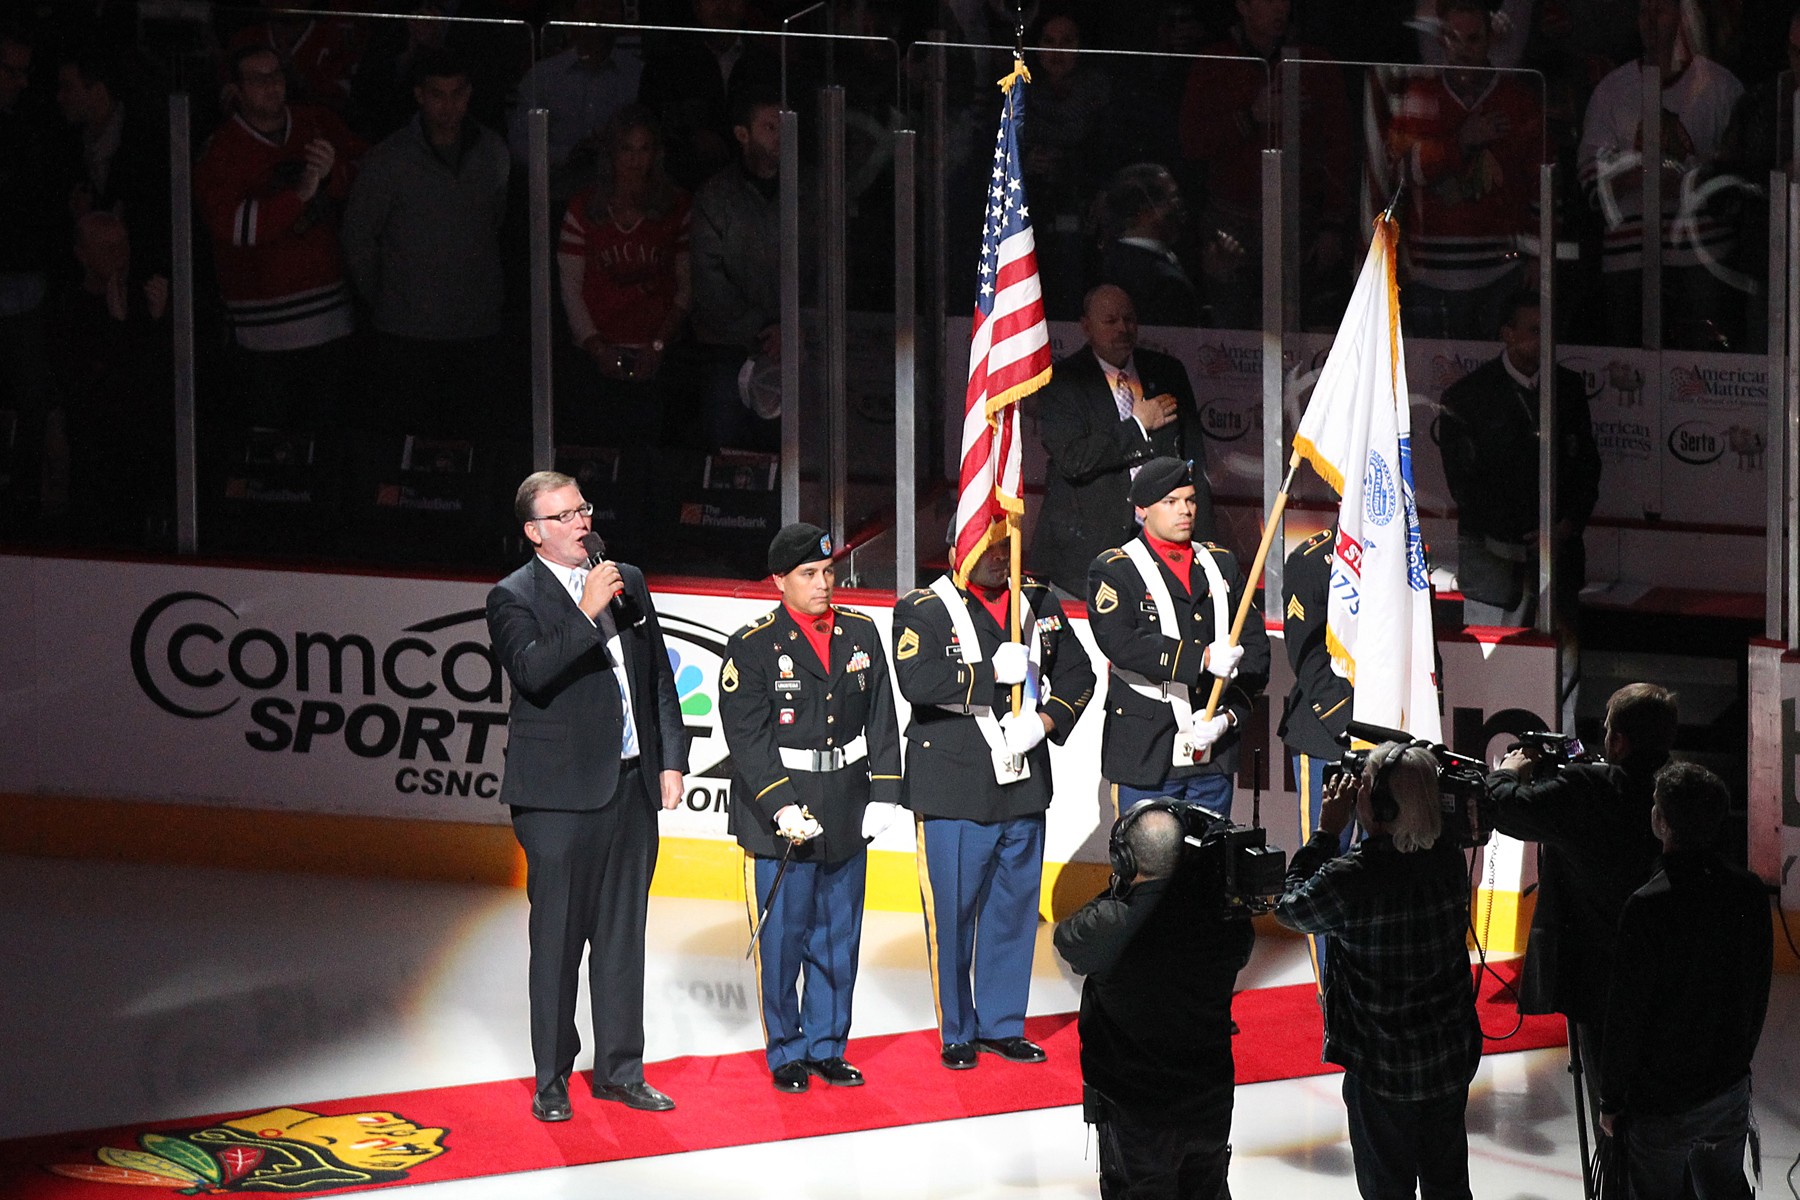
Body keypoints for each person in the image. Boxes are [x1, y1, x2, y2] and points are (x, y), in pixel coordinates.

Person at [486, 470, 689, 1121]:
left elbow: (656, 674)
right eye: (565, 516)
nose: (582, 523)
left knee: (623, 937)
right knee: (558, 943)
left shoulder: (624, 574)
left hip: (631, 786)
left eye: (583, 510)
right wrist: (584, 611)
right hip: (557, 800)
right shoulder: (512, 597)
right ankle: (552, 1080)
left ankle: (621, 1071)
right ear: (534, 532)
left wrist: (671, 759)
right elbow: (534, 672)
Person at [893, 536, 1095, 1069]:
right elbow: (916, 681)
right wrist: (988, 677)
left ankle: (1003, 1024)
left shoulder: (1038, 602)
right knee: (954, 914)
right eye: (988, 543)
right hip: (954, 787)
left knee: (1013, 912)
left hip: (1022, 780)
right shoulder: (923, 608)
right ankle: (957, 1031)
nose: (1001, 553)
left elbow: (1079, 674)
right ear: (961, 547)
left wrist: (1044, 721)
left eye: (1007, 543)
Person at [717, 522, 902, 1093]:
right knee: (784, 940)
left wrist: (887, 792)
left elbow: (882, 717)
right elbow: (747, 740)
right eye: (809, 575)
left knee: (837, 936)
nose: (824, 584)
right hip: (781, 816)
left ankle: (827, 1045)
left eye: (827, 572)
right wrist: (781, 806)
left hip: (846, 804)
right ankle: (787, 1050)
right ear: (779, 581)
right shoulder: (752, 645)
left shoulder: (861, 632)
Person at [1274, 742, 1482, 1200]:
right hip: (1447, 1059)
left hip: (1382, 1070)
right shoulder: (1449, 860)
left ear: (1383, 805)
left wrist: (1327, 833)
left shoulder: (1352, 877)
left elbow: (1290, 909)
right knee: (1449, 1187)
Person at [1486, 682, 1677, 1133]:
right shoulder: (1676, 788)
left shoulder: (1589, 790)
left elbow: (1504, 809)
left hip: (1600, 982)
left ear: (1617, 741)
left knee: (1615, 1122)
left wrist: (1508, 771)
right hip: (1667, 975)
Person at [1054, 802, 1254, 1200]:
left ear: (1125, 860)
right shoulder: (1221, 921)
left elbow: (1066, 939)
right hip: (1209, 1102)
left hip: (1137, 1115)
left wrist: (1124, 886)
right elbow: (1241, 943)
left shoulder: (1111, 925)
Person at [1598, 761, 1772, 1200]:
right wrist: (1737, 1065)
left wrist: (1611, 1100)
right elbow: (1758, 992)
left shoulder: (1647, 906)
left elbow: (1627, 1013)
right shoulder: (1748, 891)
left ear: (1661, 821)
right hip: (1727, 1089)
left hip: (1663, 1103)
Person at [193, 45, 365, 434]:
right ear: (235, 89)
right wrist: (301, 193)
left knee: (329, 443)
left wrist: (333, 173)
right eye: (258, 78)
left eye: (276, 75)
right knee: (273, 458)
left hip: (330, 322)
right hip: (261, 337)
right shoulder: (219, 150)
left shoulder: (316, 124)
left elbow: (367, 171)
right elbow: (238, 227)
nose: (271, 86)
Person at [1087, 457, 1270, 819]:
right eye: (1171, 502)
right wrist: (1200, 659)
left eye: (1189, 500)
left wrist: (1229, 717)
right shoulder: (1115, 570)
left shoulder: (1220, 564)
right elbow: (1122, 644)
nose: (1184, 511)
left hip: (1212, 753)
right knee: (1149, 868)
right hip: (1147, 753)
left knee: (1210, 867)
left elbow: (1257, 653)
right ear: (1142, 509)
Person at [341, 48, 510, 439]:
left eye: (457, 93)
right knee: (409, 445)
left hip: (476, 326)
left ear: (469, 94)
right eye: (437, 93)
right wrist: (387, 296)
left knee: (472, 444)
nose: (448, 105)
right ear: (419, 95)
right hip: (407, 332)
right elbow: (358, 235)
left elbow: (495, 225)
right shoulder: (389, 159)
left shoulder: (493, 152)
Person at [1577, 0, 1745, 349]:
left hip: (1701, 258)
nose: (1651, 21)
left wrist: (1686, 183)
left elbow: (1738, 174)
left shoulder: (1721, 86)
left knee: (1703, 365)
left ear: (1684, 18)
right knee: (1628, 364)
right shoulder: (1612, 90)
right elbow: (1589, 173)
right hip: (1629, 258)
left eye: (1661, 11)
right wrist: (1632, 176)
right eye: (1644, 12)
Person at [1028, 284, 1211, 599]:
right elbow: (1073, 459)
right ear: (1086, 326)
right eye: (1110, 321)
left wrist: (1206, 546)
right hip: (1085, 560)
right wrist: (1138, 426)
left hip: (1164, 549)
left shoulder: (1167, 372)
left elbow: (1193, 462)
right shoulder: (1063, 381)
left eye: (1129, 319)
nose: (1122, 329)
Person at [1437, 290, 1601, 629]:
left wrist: (1564, 526)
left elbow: (1587, 466)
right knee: (1494, 669)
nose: (1543, 340)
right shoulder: (1467, 397)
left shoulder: (1567, 388)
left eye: (1548, 331)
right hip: (1494, 568)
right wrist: (1523, 533)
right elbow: (1465, 487)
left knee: (1561, 669)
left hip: (1559, 562)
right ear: (1507, 334)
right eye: (1533, 331)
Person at [1385, 0, 1544, 340]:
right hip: (1431, 274)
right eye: (1454, 39)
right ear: (1442, 40)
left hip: (1500, 272)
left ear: (1490, 40)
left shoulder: (1518, 101)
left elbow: (1540, 184)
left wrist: (1534, 254)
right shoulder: (1420, 96)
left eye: (1473, 40)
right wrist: (1460, 143)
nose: (1463, 50)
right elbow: (1400, 170)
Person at [556, 105, 692, 449]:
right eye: (626, 149)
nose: (635, 159)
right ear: (611, 153)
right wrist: (596, 346)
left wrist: (658, 346)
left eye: (644, 149)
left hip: (656, 355)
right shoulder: (583, 208)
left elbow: (685, 285)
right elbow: (570, 287)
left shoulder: (676, 207)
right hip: (594, 356)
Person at [1276, 523, 1353, 990]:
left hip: (1392, 734)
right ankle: (1332, 998)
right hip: (1329, 735)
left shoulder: (1401, 551)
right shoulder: (1312, 559)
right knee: (1325, 869)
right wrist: (1350, 723)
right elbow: (1306, 653)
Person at [690, 92, 782, 451]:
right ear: (743, 134)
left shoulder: (811, 190)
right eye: (770, 126)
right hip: (729, 349)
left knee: (796, 458)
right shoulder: (715, 196)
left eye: (786, 126)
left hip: (799, 348)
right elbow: (707, 278)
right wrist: (762, 328)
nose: (780, 136)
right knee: (728, 459)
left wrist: (795, 325)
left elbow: (828, 268)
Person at [1095, 163, 1203, 329]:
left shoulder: (1111, 259)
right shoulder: (1163, 281)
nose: (1179, 207)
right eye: (1173, 198)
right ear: (1145, 211)